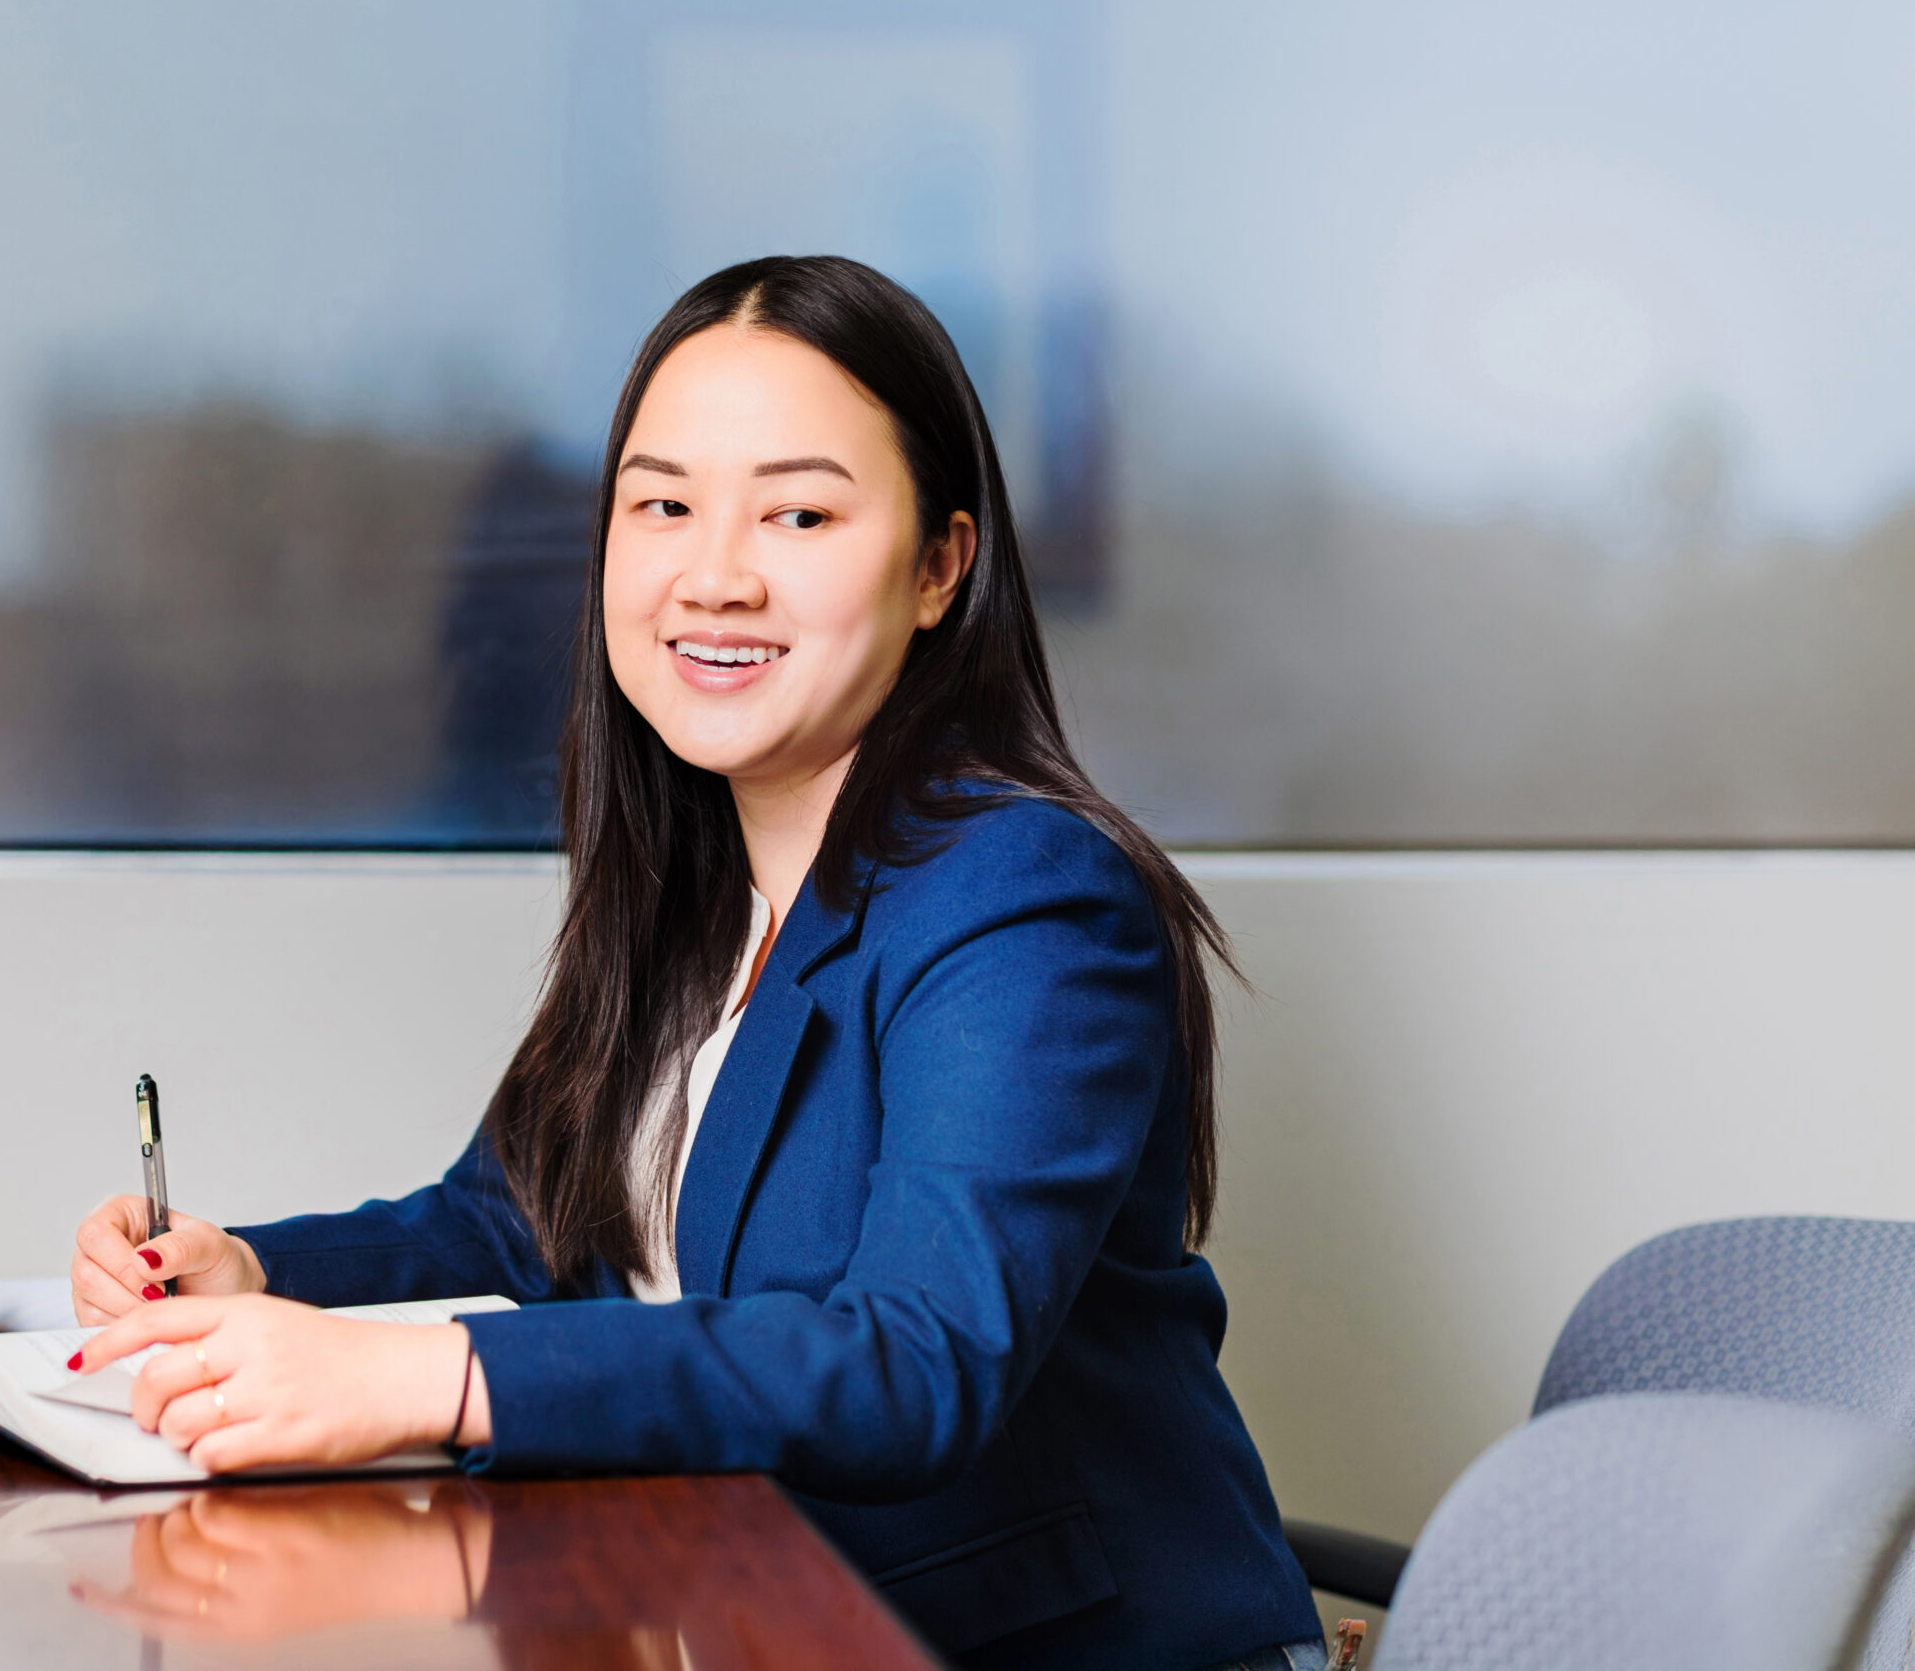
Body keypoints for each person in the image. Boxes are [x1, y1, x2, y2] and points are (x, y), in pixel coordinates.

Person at [66, 256, 1324, 1670]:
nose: (713, 576)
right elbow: (513, 1229)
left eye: (797, 512)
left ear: (938, 568)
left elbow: (913, 1360)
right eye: (663, 505)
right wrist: (250, 1274)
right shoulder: (692, 887)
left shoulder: (1022, 896)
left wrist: (425, 1377)